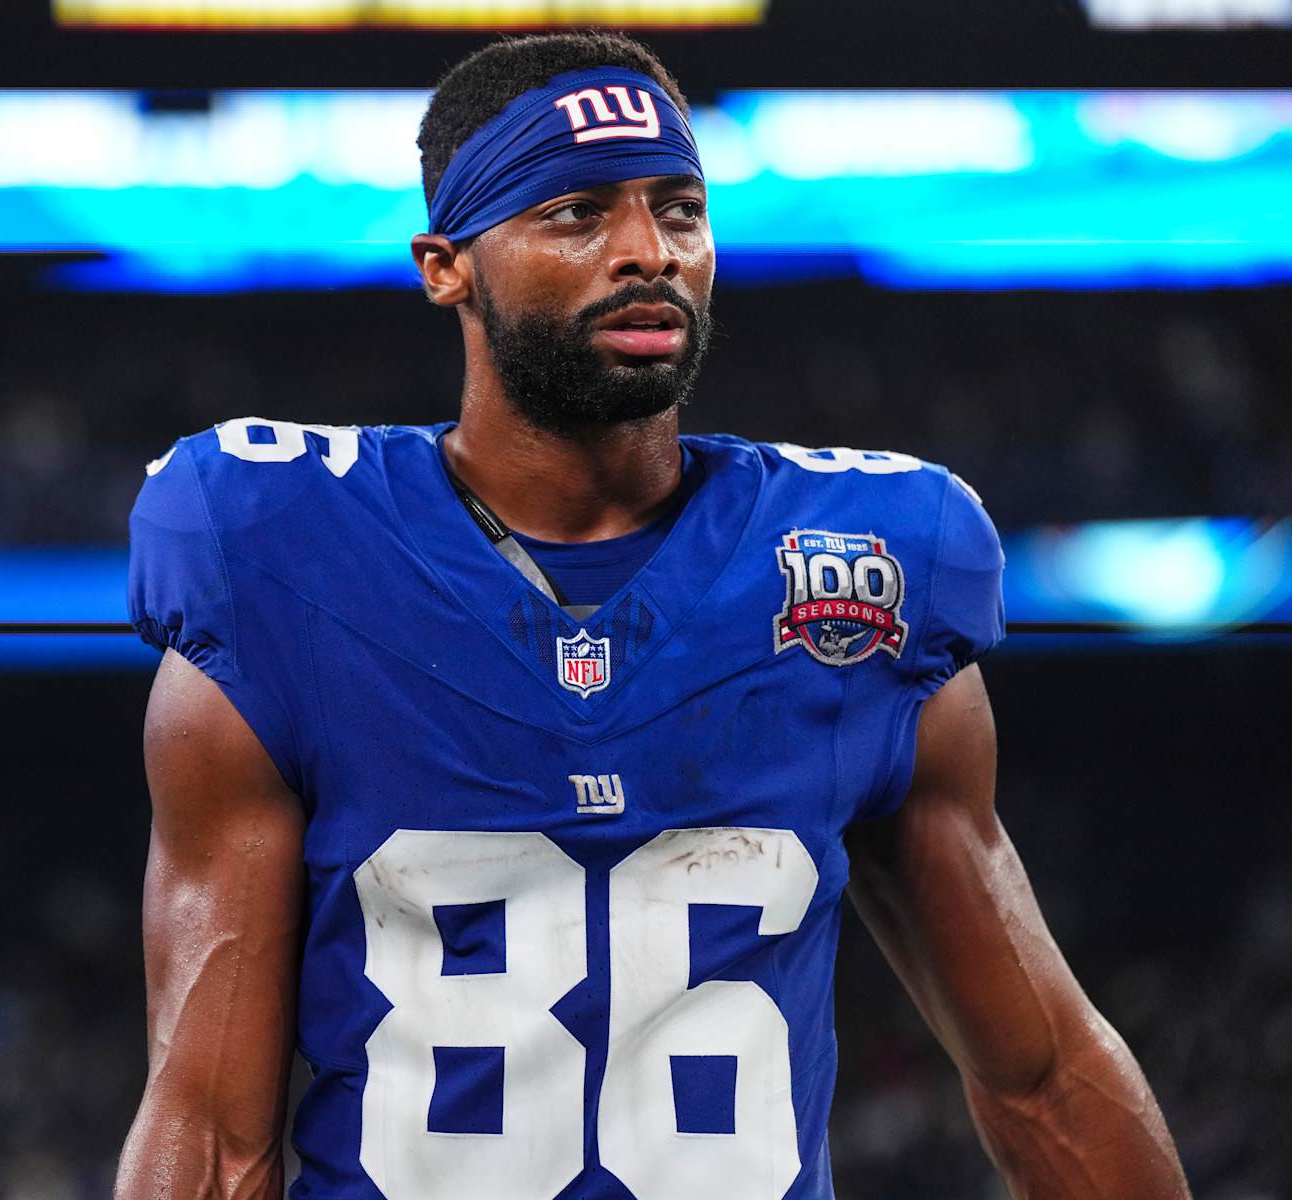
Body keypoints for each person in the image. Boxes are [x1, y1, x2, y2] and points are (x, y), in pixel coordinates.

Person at [116, 31, 1190, 1199]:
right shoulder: (282, 549)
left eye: (679, 210)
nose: (648, 250)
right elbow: (210, 1130)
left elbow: (1043, 1078)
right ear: (446, 267)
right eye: (577, 213)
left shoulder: (865, 564)